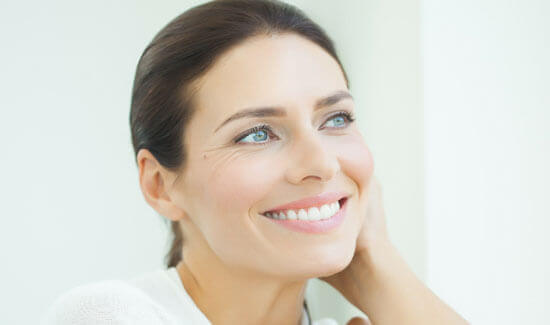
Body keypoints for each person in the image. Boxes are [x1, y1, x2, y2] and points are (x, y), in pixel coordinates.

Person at [42, 0, 469, 324]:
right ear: (159, 184)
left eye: (336, 119)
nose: (321, 162)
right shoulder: (113, 314)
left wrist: (377, 268)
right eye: (257, 133)